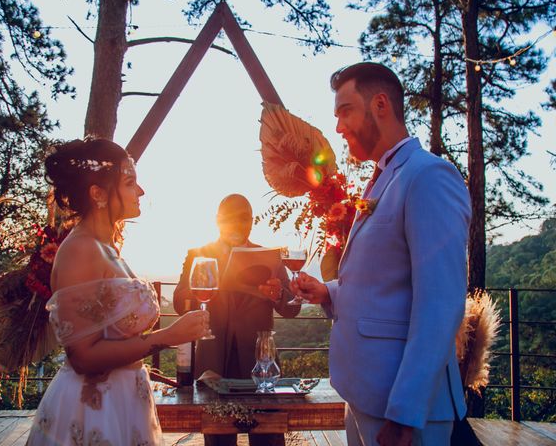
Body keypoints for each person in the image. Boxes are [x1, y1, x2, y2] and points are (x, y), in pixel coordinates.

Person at [291, 63, 471, 446]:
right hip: (365, 394)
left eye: (345, 111)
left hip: (403, 408)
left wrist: (406, 411)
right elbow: (383, 282)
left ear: (381, 104)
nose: (339, 127)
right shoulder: (383, 178)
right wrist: (330, 293)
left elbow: (440, 303)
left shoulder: (428, 177)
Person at [26, 138, 209, 446]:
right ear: (97, 194)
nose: (141, 191)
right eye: (129, 182)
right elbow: (82, 357)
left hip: (126, 400)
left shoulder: (108, 247)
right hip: (94, 411)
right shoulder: (80, 250)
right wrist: (168, 337)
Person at [173, 193, 301, 446]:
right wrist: (209, 283)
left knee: (269, 438)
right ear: (218, 220)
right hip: (214, 363)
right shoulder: (198, 254)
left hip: (261, 366)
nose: (237, 223)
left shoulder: (271, 256)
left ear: (252, 221)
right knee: (218, 440)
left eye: (243, 218)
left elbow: (290, 310)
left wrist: (278, 294)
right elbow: (179, 303)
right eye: (229, 218)